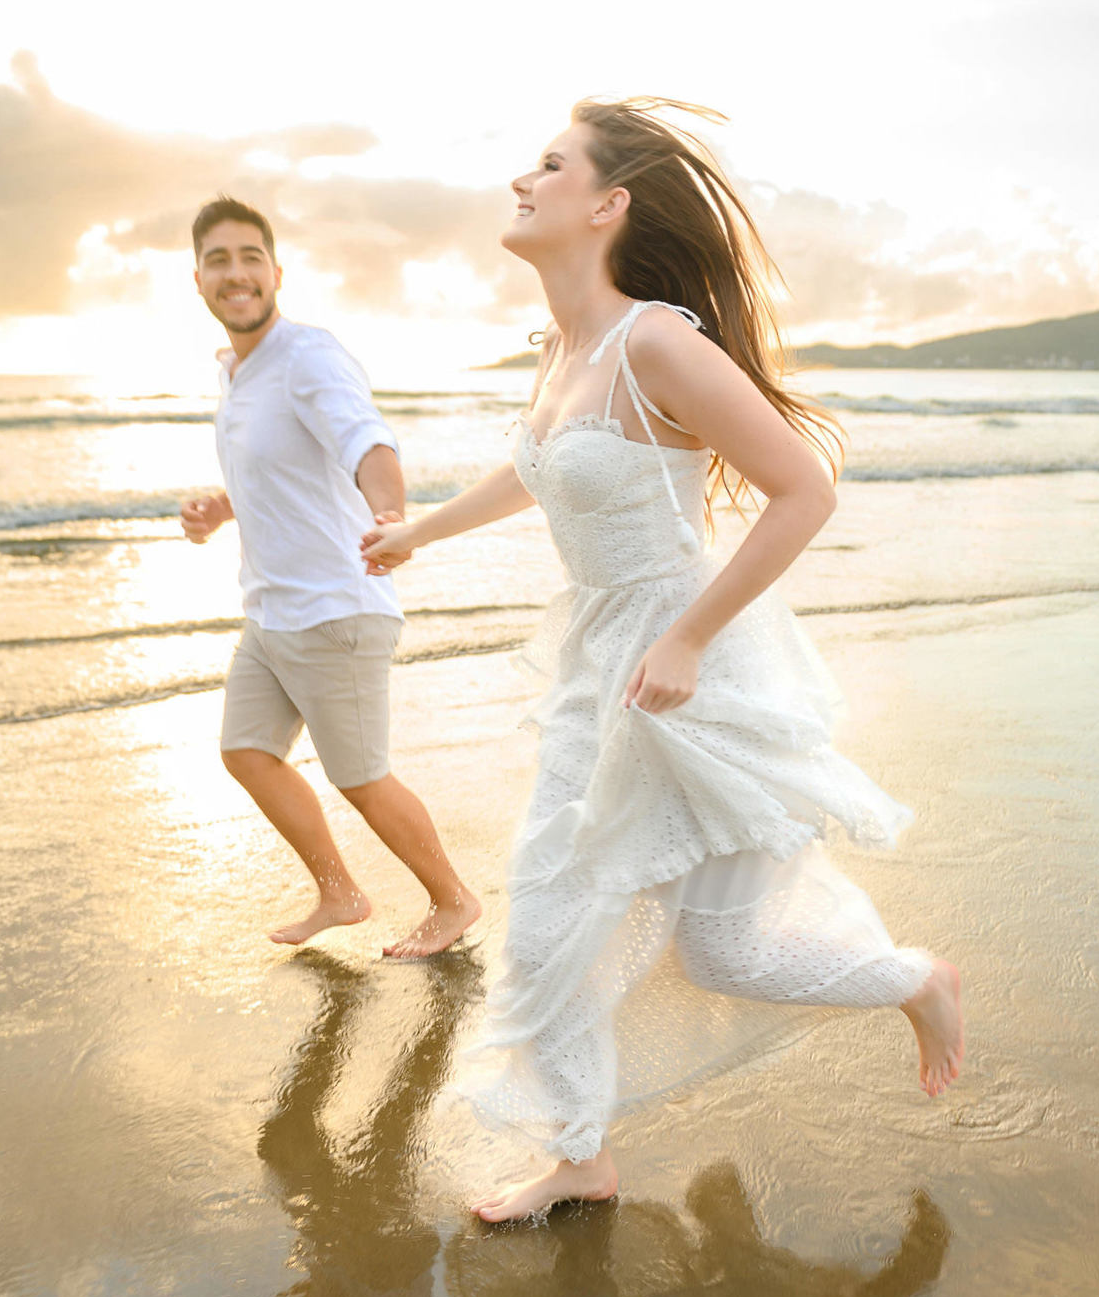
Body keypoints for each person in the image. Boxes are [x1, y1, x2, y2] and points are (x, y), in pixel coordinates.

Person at [361, 100, 964, 1219]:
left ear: (608, 204)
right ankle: (580, 1156)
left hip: (690, 671)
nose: (519, 182)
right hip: (598, 666)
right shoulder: (563, 351)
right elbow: (538, 470)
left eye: (548, 166)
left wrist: (689, 635)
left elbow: (802, 491)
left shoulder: (654, 340)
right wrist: (419, 532)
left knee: (724, 951)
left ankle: (917, 980)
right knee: (548, 918)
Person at [182, 196, 479, 956]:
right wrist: (224, 505)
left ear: (276, 272)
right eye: (219, 259)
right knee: (246, 749)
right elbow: (285, 471)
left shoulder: (307, 355)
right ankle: (339, 892)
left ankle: (453, 900)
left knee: (361, 776)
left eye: (250, 256)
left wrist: (392, 517)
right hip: (273, 612)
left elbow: (364, 441)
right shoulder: (237, 372)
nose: (236, 272)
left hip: (335, 607)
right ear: (199, 279)